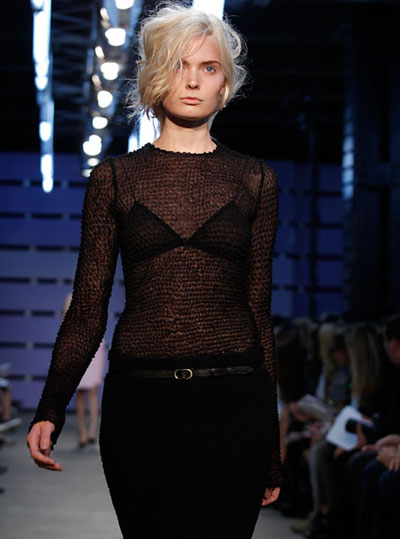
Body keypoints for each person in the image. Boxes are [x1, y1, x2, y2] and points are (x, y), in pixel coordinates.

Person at [27, 4, 282, 538]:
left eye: (208, 67)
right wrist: (51, 407)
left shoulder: (255, 180)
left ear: (225, 84)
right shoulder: (115, 179)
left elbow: (258, 313)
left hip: (234, 404)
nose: (192, 80)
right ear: (155, 76)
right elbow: (88, 309)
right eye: (178, 65)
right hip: (141, 406)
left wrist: (271, 441)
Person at [63, 292, 106, 448]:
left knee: (93, 389)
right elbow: (66, 323)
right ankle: (81, 430)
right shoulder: (71, 298)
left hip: (95, 344)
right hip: (77, 346)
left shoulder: (96, 297)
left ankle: (93, 429)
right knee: (80, 391)